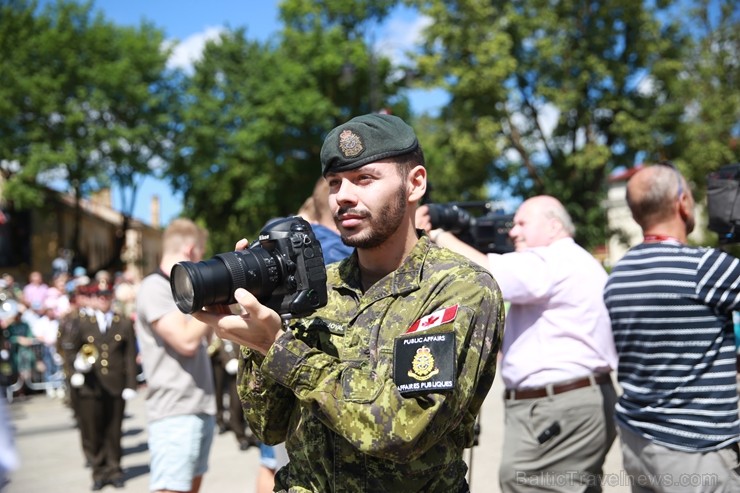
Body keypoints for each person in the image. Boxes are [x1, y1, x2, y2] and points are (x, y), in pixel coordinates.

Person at [194, 113, 504, 492]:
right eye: (335, 183)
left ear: (415, 183)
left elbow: (402, 428)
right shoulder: (317, 287)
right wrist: (257, 342)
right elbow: (267, 426)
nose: (343, 196)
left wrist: (279, 348)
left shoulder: (460, 287)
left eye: (364, 179)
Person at [418, 195, 619, 492]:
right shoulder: (574, 260)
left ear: (553, 226)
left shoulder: (554, 259)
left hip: (557, 404)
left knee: (526, 482)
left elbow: (488, 273)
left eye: (523, 222)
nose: (513, 231)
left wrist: (435, 235)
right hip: (568, 401)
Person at [603, 163, 740, 492]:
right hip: (694, 449)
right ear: (682, 202)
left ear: (637, 216)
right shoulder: (705, 267)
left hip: (638, 442)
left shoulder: (617, 276)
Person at [135, 218, 216, 493]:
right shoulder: (155, 287)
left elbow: (205, 336)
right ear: (191, 250)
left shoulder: (183, 290)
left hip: (197, 406)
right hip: (175, 411)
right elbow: (185, 342)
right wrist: (214, 301)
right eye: (201, 255)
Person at [70, 281, 138, 490]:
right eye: (99, 295)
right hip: (91, 386)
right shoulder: (83, 323)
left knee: (114, 430)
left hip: (116, 384)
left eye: (107, 295)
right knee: (93, 431)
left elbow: (129, 356)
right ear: (94, 298)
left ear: (111, 297)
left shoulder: (123, 322)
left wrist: (131, 384)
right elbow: (70, 349)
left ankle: (115, 469)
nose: (103, 299)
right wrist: (76, 369)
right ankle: (98, 472)